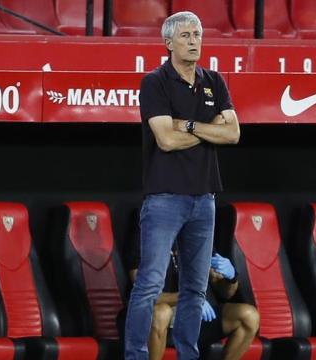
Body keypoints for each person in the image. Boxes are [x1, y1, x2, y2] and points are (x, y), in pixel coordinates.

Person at [123, 10, 240, 360]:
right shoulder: (154, 82)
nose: (194, 42)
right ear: (168, 42)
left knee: (196, 288)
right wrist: (208, 129)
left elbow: (232, 133)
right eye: (186, 36)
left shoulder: (214, 81)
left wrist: (188, 126)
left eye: (198, 35)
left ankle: (189, 354)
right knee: (149, 285)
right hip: (164, 199)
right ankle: (135, 355)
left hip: (204, 199)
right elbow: (165, 140)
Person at [124, 239, 259, 360]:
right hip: (151, 318)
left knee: (249, 316)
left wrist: (232, 277)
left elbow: (226, 293)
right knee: (162, 312)